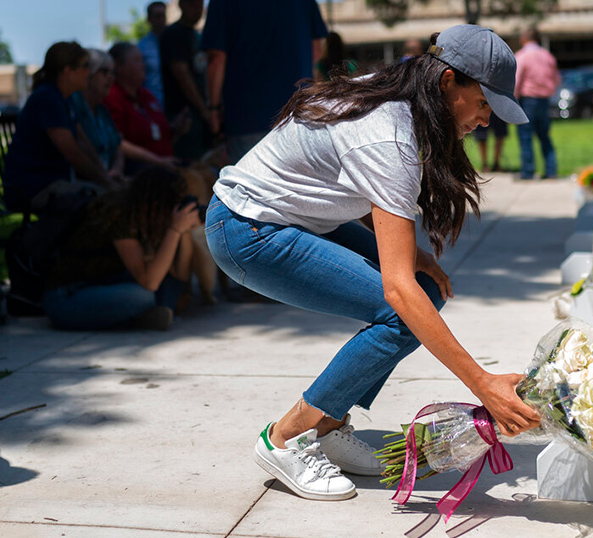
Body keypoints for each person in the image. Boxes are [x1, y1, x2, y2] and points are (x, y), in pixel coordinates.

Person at [204, 24, 538, 502]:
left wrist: (410, 251)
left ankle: (329, 423)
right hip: (247, 229)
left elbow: (340, 176)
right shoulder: (390, 137)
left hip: (286, 216)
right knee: (404, 308)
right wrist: (482, 383)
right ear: (448, 82)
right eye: (484, 103)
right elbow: (397, 291)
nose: (486, 120)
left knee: (419, 285)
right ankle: (285, 438)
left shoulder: (398, 97)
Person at [41, 166, 200, 331]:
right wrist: (175, 230)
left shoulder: (148, 219)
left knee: (167, 279)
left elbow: (180, 275)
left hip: (106, 282)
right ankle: (143, 316)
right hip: (67, 297)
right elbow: (150, 282)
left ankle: (147, 314)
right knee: (142, 297)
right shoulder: (119, 215)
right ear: (153, 204)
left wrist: (184, 231)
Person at [3, 42, 123, 214]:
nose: (89, 72)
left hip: (50, 184)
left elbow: (83, 143)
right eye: (85, 66)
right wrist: (106, 183)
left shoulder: (64, 98)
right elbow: (73, 153)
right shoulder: (48, 98)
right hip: (31, 188)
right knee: (108, 201)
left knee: (114, 194)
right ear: (67, 71)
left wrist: (105, 177)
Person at [202, 0, 327, 164]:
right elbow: (316, 51)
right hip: (299, 114)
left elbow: (216, 59)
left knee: (249, 184)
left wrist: (213, 108)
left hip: (247, 116)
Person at [104, 42, 184, 174]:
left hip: (166, 166)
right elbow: (117, 142)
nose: (144, 65)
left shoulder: (147, 96)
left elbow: (159, 137)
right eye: (137, 61)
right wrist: (157, 161)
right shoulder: (112, 98)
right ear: (119, 66)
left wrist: (176, 129)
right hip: (142, 173)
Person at [160, 0, 208, 160]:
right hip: (182, 116)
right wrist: (204, 109)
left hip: (201, 115)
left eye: (200, 4)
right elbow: (182, 75)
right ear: (181, 5)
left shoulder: (198, 35)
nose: (197, 9)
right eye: (192, 4)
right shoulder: (173, 34)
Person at [68, 48, 125, 180]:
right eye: (104, 72)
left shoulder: (102, 110)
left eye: (113, 73)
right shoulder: (72, 106)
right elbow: (77, 153)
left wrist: (116, 171)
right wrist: (105, 180)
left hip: (107, 180)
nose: (111, 79)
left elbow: (118, 149)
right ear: (88, 73)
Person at [514, 26, 560, 180]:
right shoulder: (547, 56)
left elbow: (516, 80)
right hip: (544, 100)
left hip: (527, 100)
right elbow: (556, 79)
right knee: (544, 136)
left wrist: (513, 99)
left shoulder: (522, 56)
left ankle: (528, 172)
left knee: (525, 136)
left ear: (524, 39)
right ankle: (551, 170)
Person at [138, 1, 167, 106]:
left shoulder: (174, 43)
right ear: (149, 19)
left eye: (163, 16)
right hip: (152, 105)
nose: (161, 20)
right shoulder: (141, 47)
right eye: (157, 16)